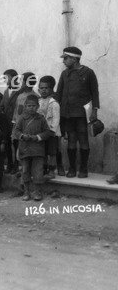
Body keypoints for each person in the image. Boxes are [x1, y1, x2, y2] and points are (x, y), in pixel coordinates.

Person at [54, 46, 100, 178]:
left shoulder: (88, 73)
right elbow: (59, 93)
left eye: (66, 58)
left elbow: (95, 93)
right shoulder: (64, 74)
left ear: (74, 59)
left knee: (84, 140)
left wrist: (95, 111)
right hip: (67, 114)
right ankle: (72, 168)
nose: (64, 61)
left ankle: (83, 169)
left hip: (81, 114)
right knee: (71, 140)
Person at [12, 94, 54, 201]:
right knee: (25, 170)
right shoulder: (22, 118)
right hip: (25, 149)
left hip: (38, 150)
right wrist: (22, 136)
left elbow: (47, 132)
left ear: (38, 106)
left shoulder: (41, 119)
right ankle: (26, 191)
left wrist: (37, 137)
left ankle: (37, 192)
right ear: (25, 106)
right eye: (29, 106)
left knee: (38, 171)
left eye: (34, 106)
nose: (31, 108)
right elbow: (16, 131)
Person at [38, 76, 62, 178]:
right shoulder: (38, 102)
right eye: (42, 88)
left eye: (46, 88)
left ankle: (52, 171)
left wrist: (52, 130)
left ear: (51, 89)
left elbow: (56, 119)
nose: (44, 90)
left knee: (52, 152)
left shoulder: (54, 103)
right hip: (42, 132)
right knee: (43, 151)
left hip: (52, 133)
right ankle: (44, 169)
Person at [1, 69, 20, 174]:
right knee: (7, 143)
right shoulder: (6, 91)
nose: (5, 80)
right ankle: (9, 164)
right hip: (6, 122)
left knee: (16, 144)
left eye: (7, 77)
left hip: (16, 122)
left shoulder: (20, 91)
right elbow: (3, 106)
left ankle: (16, 165)